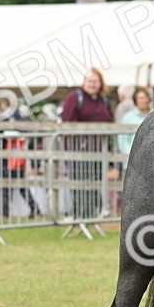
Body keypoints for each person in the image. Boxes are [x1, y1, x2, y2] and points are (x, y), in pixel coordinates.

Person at [60, 68, 113, 218]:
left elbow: (109, 122)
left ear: (100, 83)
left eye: (96, 81)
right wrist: (78, 142)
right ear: (84, 82)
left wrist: (108, 147)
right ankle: (78, 215)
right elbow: (67, 122)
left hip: (98, 150)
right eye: (90, 81)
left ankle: (92, 214)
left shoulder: (103, 100)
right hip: (79, 151)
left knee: (95, 183)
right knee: (79, 183)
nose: (92, 84)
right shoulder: (75, 97)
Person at [118, 87, 153, 157]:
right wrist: (129, 155)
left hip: (152, 158)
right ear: (135, 100)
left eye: (146, 97)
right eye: (141, 98)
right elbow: (122, 139)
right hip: (132, 158)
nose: (144, 100)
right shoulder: (128, 117)